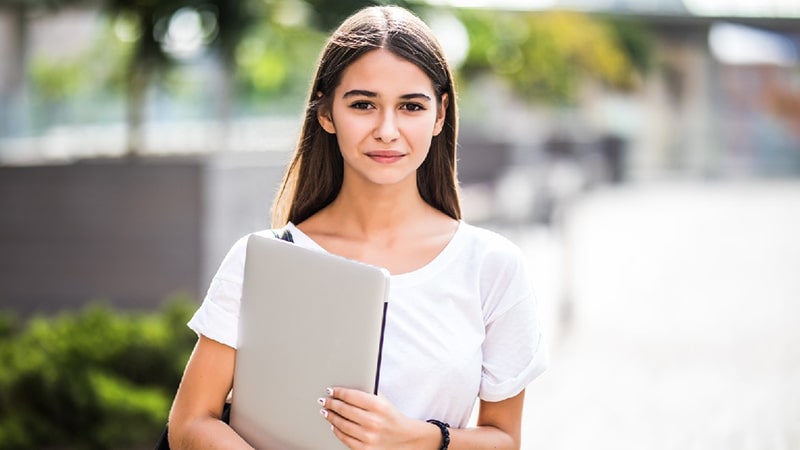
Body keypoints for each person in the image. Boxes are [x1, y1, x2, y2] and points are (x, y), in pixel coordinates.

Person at [167, 5, 547, 449]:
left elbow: (505, 438)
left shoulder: (490, 266)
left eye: (411, 106)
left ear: (440, 115)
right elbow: (191, 423)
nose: (387, 130)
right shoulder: (266, 261)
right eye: (363, 104)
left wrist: (419, 438)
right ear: (326, 112)